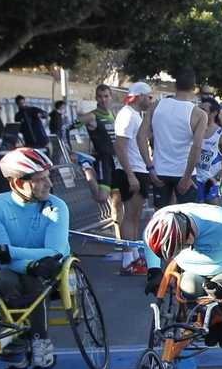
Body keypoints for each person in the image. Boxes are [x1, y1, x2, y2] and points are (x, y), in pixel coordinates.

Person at [0, 147, 70, 369]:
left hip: (48, 265)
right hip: (17, 267)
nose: (49, 184)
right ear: (19, 183)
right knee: (5, 280)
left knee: (34, 280)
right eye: (41, 179)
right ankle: (15, 338)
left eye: (48, 177)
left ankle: (40, 339)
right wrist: (25, 263)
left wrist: (10, 252)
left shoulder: (56, 206)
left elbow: (54, 251)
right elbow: (2, 258)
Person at [142, 204, 222, 369]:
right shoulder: (158, 221)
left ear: (188, 232)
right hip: (191, 270)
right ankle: (208, 321)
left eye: (184, 246)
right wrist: (154, 271)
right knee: (188, 289)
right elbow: (147, 241)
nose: (186, 249)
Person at [139, 71, 210, 209]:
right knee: (188, 215)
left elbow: (141, 136)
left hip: (160, 171)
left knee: (161, 215)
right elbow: (196, 147)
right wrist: (187, 176)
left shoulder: (155, 106)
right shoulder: (199, 114)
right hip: (183, 172)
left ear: (176, 86)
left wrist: (150, 168)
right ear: (194, 87)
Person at [113, 82, 156, 275]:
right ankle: (127, 261)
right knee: (130, 216)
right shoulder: (128, 115)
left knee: (136, 215)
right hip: (132, 171)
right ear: (140, 96)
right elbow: (119, 146)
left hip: (139, 169)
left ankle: (134, 255)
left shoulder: (136, 115)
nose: (150, 100)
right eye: (149, 96)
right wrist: (130, 175)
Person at [79, 86, 121, 248]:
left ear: (111, 98)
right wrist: (69, 151)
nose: (103, 99)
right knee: (102, 197)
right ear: (96, 98)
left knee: (117, 202)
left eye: (106, 96)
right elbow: (65, 128)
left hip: (115, 160)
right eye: (100, 96)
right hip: (102, 159)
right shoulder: (92, 116)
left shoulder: (113, 115)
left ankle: (120, 240)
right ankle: (86, 168)